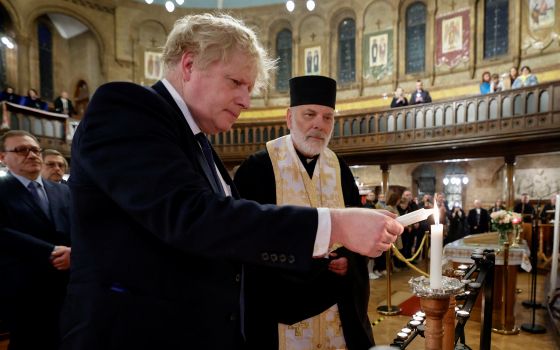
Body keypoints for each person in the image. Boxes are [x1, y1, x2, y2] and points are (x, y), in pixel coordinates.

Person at [59, 13, 403, 350]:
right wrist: (336, 225)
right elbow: (192, 216)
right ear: (189, 64)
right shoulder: (126, 109)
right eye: (236, 82)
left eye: (250, 88)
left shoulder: (199, 143)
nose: (246, 100)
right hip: (137, 335)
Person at [234, 75, 374, 350]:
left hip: (337, 312)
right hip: (280, 312)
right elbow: (247, 241)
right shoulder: (258, 167)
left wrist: (348, 258)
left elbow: (356, 227)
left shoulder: (339, 168)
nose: (319, 125)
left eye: (327, 117)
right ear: (289, 117)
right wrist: (314, 264)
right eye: (309, 114)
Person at [0, 130, 71, 350]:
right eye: (21, 150)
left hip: (67, 283)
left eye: (34, 150)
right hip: (24, 288)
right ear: (3, 157)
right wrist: (49, 251)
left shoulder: (62, 191)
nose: (31, 155)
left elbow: (80, 226)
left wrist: (73, 252)